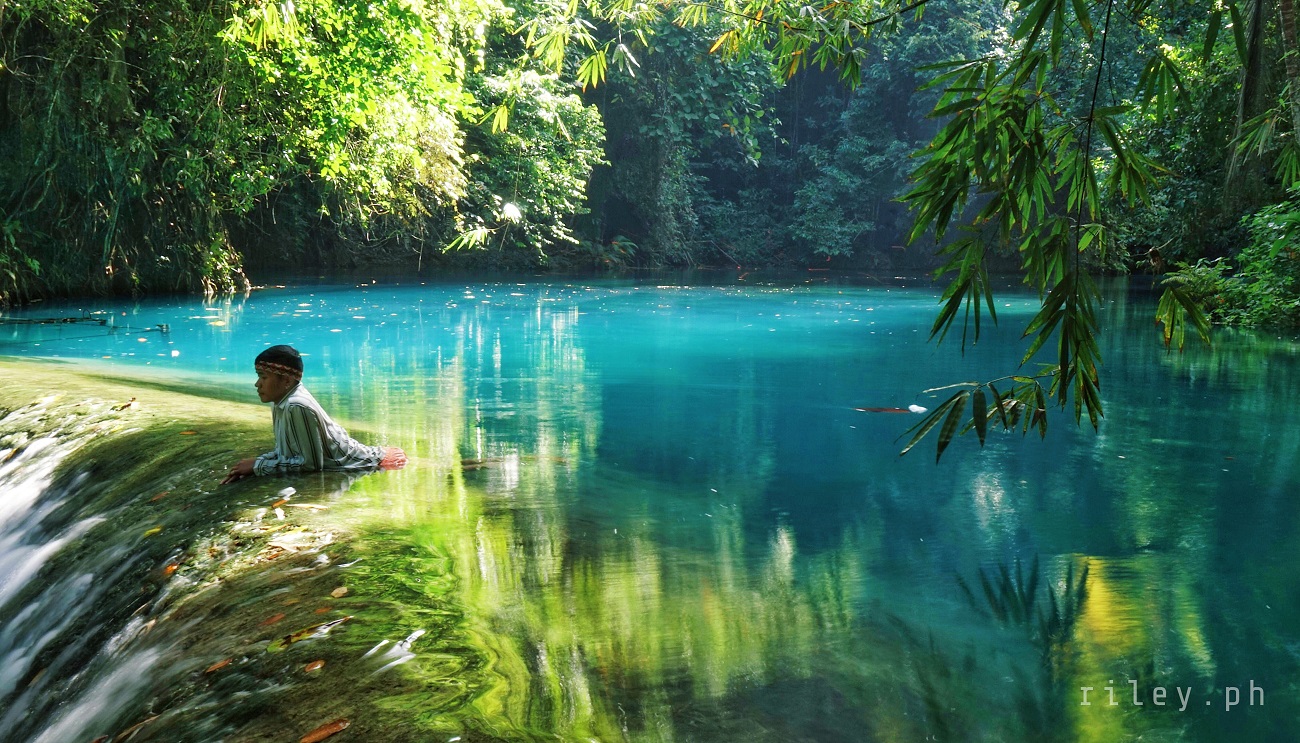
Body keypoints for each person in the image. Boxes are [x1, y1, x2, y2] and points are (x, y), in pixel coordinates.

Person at [221, 345, 406, 484]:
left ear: (286, 381)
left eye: (263, 377)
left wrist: (257, 467)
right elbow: (287, 452)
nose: (257, 384)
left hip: (372, 463)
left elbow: (310, 465)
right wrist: (257, 463)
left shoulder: (297, 406)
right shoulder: (280, 402)